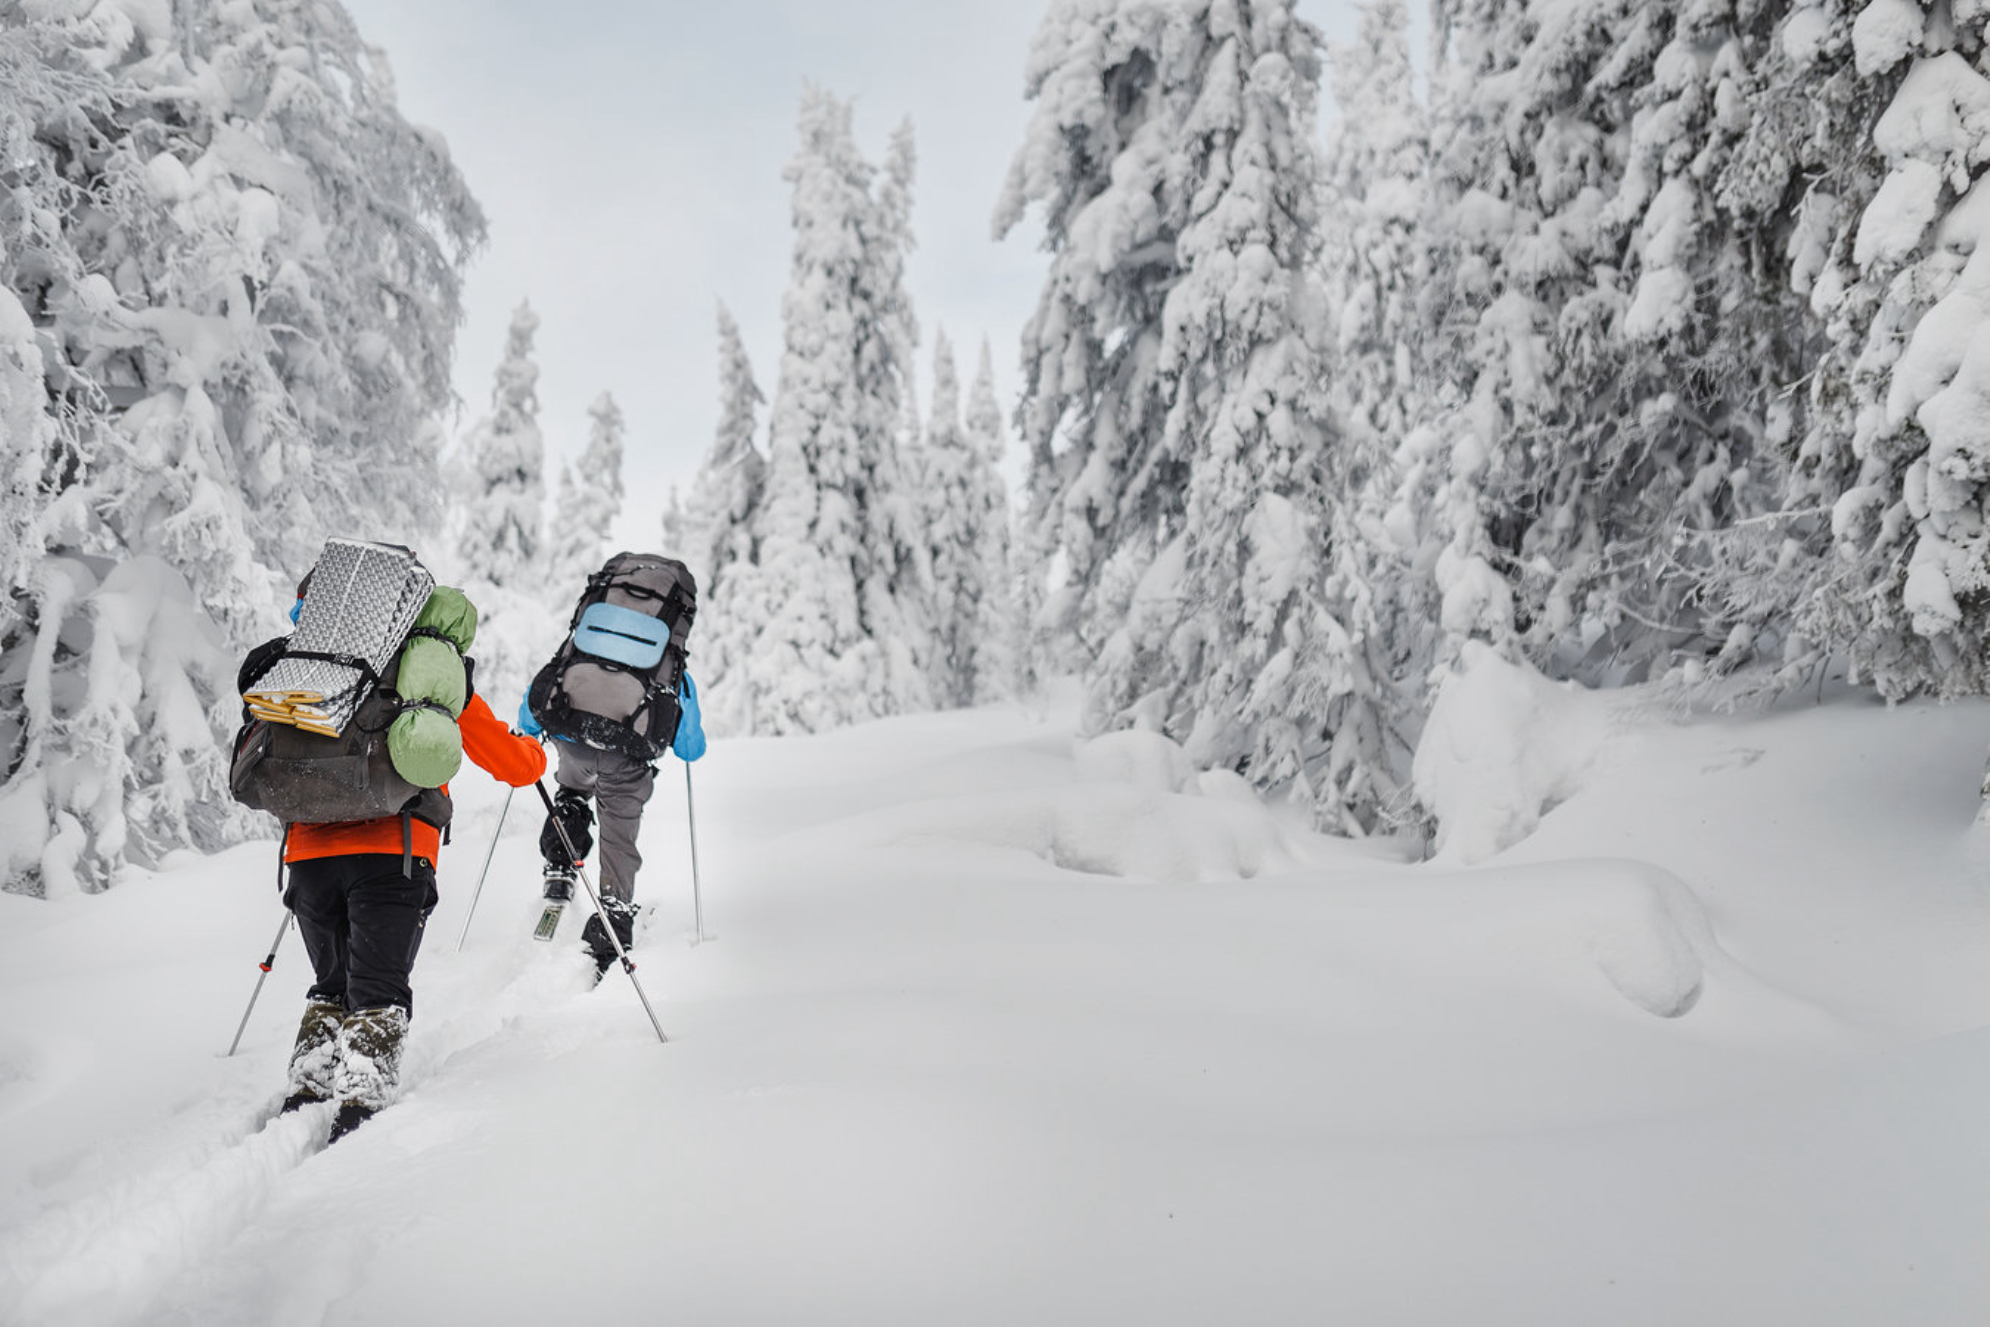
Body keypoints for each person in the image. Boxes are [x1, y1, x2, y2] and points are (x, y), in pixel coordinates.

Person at [244, 579, 546, 1143]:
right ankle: (359, 1124)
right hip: (394, 852)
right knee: (378, 990)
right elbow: (514, 765)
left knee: (331, 983)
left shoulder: (304, 666)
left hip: (309, 854)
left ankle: (305, 1095)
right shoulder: (424, 671)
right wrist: (532, 752)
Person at [517, 672, 704, 978]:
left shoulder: (584, 647)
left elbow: (534, 707)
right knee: (618, 833)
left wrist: (530, 732)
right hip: (625, 759)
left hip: (574, 745)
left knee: (573, 791)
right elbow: (690, 749)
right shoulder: (670, 667)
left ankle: (559, 866)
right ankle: (613, 917)